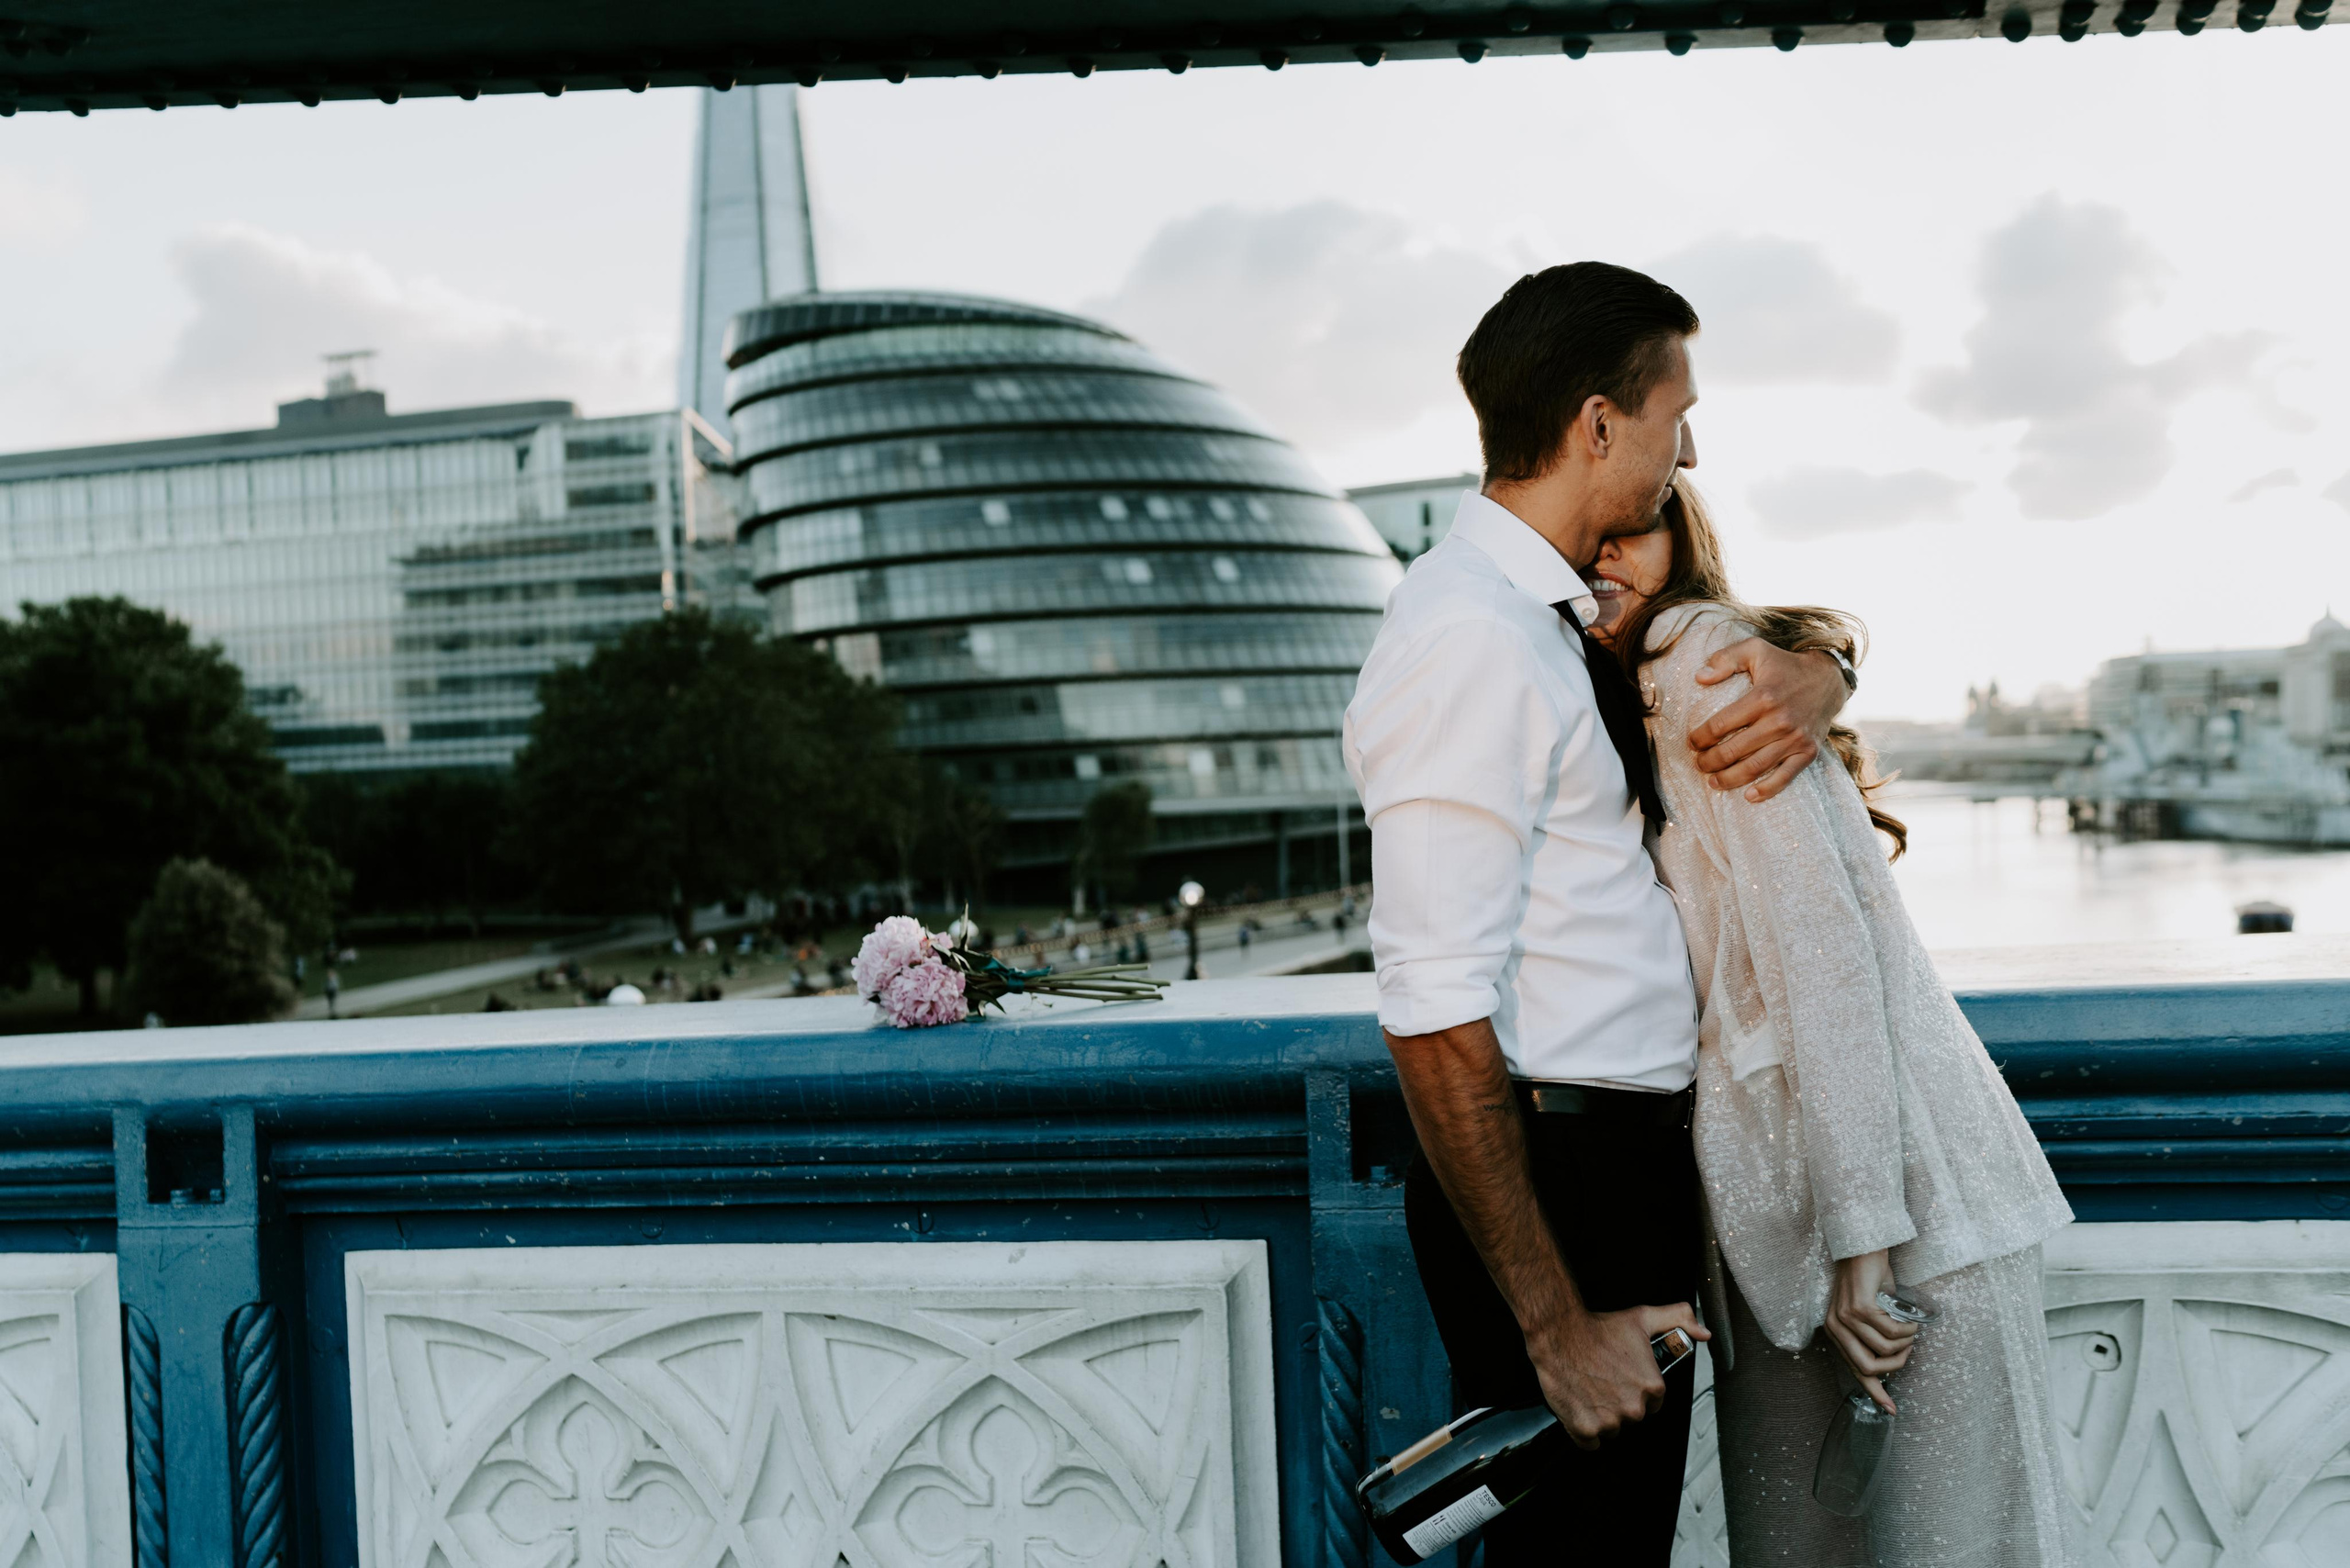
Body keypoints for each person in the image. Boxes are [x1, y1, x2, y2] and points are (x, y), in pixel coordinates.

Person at [1345, 262, 1854, 1564]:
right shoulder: (1471, 639)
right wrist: (1554, 1328)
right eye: (1678, 413)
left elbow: (1726, 633)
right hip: (1562, 1187)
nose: (1689, 445)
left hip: (1613, 1170)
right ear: (1597, 425)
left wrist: (1822, 662)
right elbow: (1433, 1013)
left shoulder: (1543, 617)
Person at [1587, 476, 2077, 1566]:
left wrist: (1862, 1239)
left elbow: (1828, 958)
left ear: (1686, 533)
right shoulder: (1626, 687)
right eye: (1593, 534)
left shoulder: (1695, 658)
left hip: (1886, 1224)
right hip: (1785, 1227)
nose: (1608, 556)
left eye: (1639, 527)